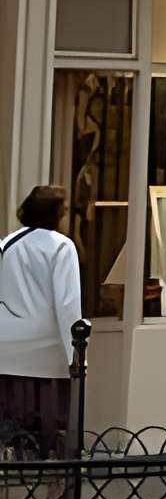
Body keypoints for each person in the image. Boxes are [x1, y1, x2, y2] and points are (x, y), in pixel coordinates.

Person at [0, 186, 84, 459]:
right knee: (51, 429)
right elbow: (67, 303)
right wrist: (77, 352)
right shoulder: (61, 246)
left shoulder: (7, 244)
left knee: (10, 424)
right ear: (57, 214)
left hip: (7, 347)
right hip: (48, 349)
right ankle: (54, 483)